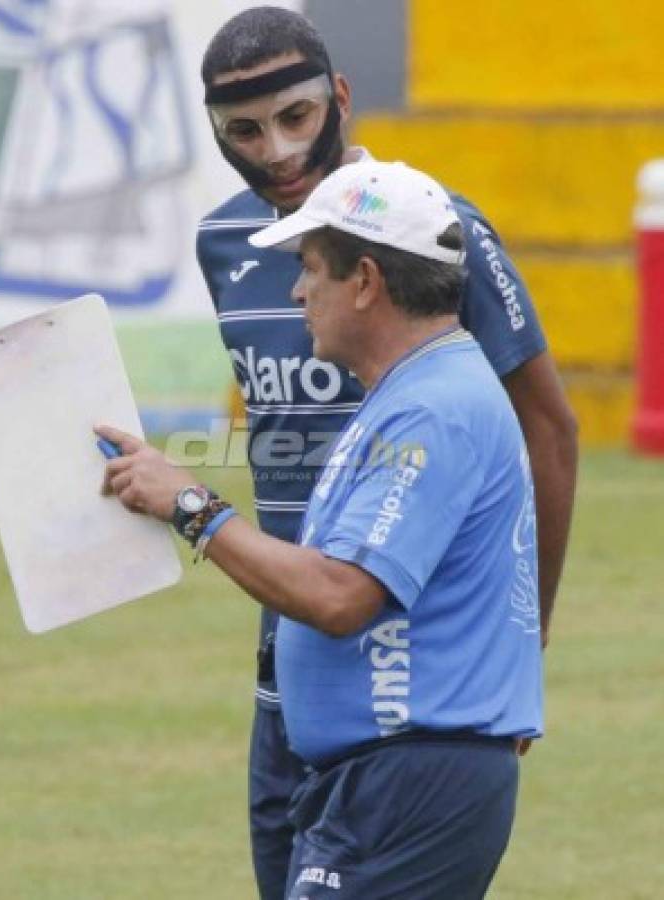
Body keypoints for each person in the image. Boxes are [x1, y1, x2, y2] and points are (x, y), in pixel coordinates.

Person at [192, 7, 576, 898]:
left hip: (409, 663)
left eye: (296, 117)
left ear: (341, 97)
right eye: (244, 132)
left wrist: (524, 643)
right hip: (293, 652)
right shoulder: (224, 244)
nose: (279, 150)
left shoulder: (432, 228)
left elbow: (549, 428)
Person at [96, 159, 544, 899]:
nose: (299, 291)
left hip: (404, 785)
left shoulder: (432, 408)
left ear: (365, 281)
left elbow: (342, 595)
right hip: (391, 779)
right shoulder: (418, 393)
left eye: (309, 269)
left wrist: (193, 507)